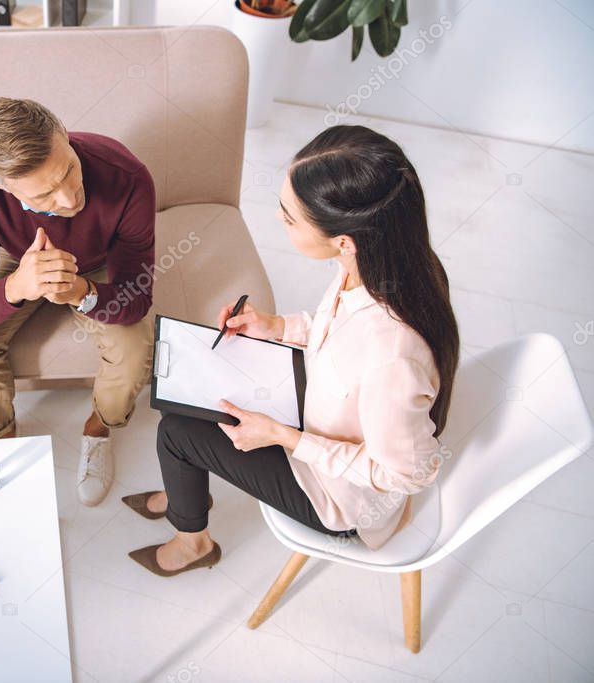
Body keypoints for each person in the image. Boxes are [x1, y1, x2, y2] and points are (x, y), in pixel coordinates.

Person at [123, 125, 460, 576]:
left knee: (176, 431)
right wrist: (277, 326)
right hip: (326, 417)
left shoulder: (393, 352)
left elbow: (406, 474)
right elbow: (337, 337)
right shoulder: (371, 265)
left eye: (290, 217)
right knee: (187, 402)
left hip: (340, 497)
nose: (280, 221)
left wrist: (282, 437)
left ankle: (193, 542)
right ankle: (186, 489)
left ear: (343, 238)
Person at [0, 97, 156, 506]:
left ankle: (99, 429)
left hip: (97, 263)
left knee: (132, 349)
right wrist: (20, 285)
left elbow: (137, 296)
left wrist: (81, 291)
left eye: (69, 171)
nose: (68, 198)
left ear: (64, 134)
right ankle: (2, 438)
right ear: (0, 185)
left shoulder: (128, 177)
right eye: (44, 195)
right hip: (17, 259)